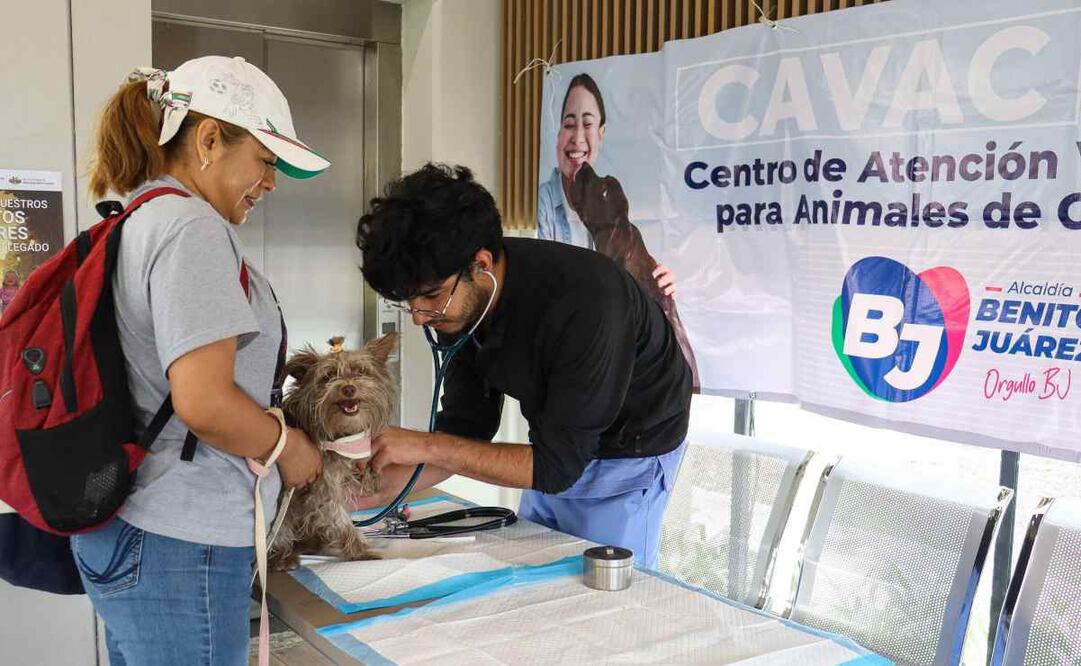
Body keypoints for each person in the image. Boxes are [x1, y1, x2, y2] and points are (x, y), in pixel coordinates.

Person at [73, 56, 327, 665]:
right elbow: (205, 403)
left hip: (132, 529)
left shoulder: (140, 216)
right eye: (266, 162)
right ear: (210, 139)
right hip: (181, 542)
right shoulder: (192, 229)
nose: (270, 183)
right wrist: (289, 449)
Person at [356, 163, 692, 568]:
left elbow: (556, 468)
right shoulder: (461, 304)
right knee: (535, 576)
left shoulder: (587, 302)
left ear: (480, 265)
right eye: (408, 301)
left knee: (603, 600)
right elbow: (468, 427)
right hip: (559, 449)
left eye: (430, 296)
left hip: (630, 453)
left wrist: (424, 445)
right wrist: (390, 488)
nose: (418, 316)